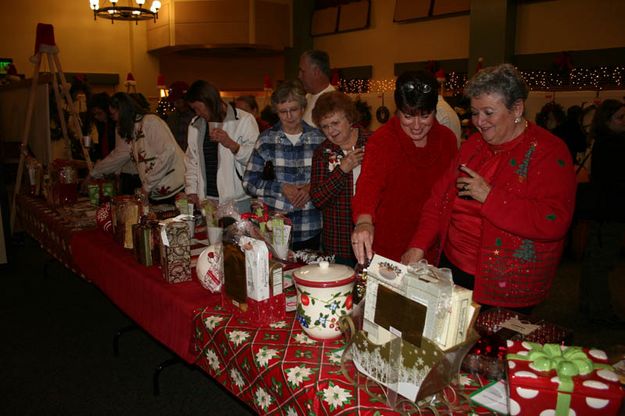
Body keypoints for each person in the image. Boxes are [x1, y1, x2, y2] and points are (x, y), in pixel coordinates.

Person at [402, 64, 577, 311]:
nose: (479, 122)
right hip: (454, 269)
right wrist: (418, 245)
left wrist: (490, 197)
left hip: (505, 282)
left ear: (516, 109)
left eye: (488, 112)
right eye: (475, 113)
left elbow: (554, 220)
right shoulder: (474, 145)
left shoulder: (548, 152)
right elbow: (437, 199)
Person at [351, 70, 458, 264]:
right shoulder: (383, 141)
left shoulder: (447, 140)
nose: (416, 126)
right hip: (388, 245)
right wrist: (364, 221)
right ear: (398, 112)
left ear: (435, 111)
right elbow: (368, 185)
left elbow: (446, 196)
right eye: (408, 116)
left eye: (425, 116)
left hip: (431, 242)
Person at [243, 80, 325, 250]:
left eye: (293, 110)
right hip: (274, 227)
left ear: (303, 108)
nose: (289, 116)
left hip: (310, 226)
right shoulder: (266, 140)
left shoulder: (319, 138)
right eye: (283, 112)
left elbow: (330, 178)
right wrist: (280, 187)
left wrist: (312, 187)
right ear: (276, 112)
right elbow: (249, 182)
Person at [310, 91, 371, 266]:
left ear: (350, 119)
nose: (331, 131)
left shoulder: (374, 143)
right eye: (325, 126)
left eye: (335, 123)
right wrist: (342, 169)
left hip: (373, 238)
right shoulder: (322, 152)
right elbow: (318, 199)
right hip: (338, 244)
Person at [89, 92, 185, 202]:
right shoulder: (133, 130)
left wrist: (147, 186)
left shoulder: (150, 121)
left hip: (176, 188)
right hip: (157, 192)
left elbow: (168, 152)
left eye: (113, 114)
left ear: (123, 111)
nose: (113, 119)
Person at [579, 99, 625, 327]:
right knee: (599, 263)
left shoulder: (601, 142)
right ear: (607, 120)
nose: (623, 122)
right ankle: (599, 310)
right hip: (610, 212)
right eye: (620, 117)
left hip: (603, 210)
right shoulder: (612, 144)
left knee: (594, 261)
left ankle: (591, 305)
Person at [184, 80, 259, 211]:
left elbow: (256, 160)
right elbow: (191, 161)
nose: (197, 113)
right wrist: (191, 190)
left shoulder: (244, 120)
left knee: (238, 232)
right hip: (207, 200)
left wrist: (231, 144)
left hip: (238, 200)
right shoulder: (196, 125)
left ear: (208, 101)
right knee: (211, 232)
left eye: (197, 108)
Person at [298, 50, 335, 127]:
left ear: (316, 72)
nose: (299, 76)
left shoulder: (332, 102)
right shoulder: (307, 97)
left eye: (302, 71)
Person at [87, 92, 116, 161]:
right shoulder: (102, 125)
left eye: (99, 113)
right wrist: (93, 146)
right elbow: (102, 149)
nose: (96, 117)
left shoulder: (115, 125)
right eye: (94, 114)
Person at [166, 81, 194, 151]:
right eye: (174, 102)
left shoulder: (196, 117)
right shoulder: (172, 117)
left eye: (178, 101)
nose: (175, 105)